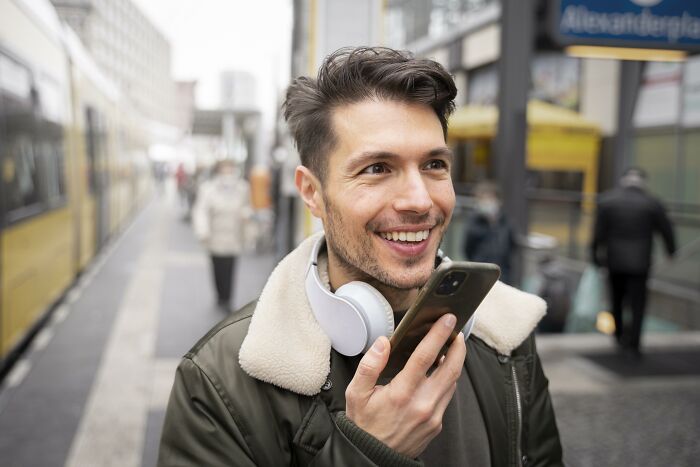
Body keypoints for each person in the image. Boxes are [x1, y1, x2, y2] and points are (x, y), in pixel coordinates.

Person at [158, 47, 562, 466]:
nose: (420, 200)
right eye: (377, 168)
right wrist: (368, 454)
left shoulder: (506, 335)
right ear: (312, 192)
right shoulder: (218, 383)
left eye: (434, 165)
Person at [591, 167, 676, 357]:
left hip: (614, 260)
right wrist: (671, 251)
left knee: (616, 299)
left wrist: (595, 257)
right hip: (640, 262)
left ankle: (619, 336)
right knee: (638, 303)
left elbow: (598, 234)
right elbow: (666, 229)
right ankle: (635, 343)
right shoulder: (652, 202)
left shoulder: (608, 201)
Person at [192, 159, 253, 312]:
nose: (228, 172)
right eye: (225, 168)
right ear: (218, 170)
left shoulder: (242, 188)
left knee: (230, 268)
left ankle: (227, 299)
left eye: (230, 168)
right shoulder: (208, 189)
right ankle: (219, 295)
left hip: (234, 236)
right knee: (217, 268)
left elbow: (247, 206)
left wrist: (246, 216)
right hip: (214, 237)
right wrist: (203, 231)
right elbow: (201, 211)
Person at [463, 181, 517, 284]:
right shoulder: (474, 223)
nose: (486, 203)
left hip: (504, 277)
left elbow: (512, 247)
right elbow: (467, 249)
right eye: (482, 199)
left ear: (498, 200)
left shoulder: (506, 223)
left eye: (489, 198)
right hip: (480, 277)